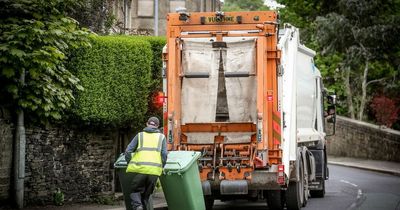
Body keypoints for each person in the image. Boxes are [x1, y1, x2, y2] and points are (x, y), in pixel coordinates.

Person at [125, 117, 167, 210]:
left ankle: (138, 206)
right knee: (146, 196)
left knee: (135, 191)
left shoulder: (140, 135)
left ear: (147, 124)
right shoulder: (162, 137)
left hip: (140, 170)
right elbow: (164, 154)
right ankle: (141, 207)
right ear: (157, 126)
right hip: (154, 172)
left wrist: (130, 163)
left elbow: (128, 151)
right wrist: (161, 167)